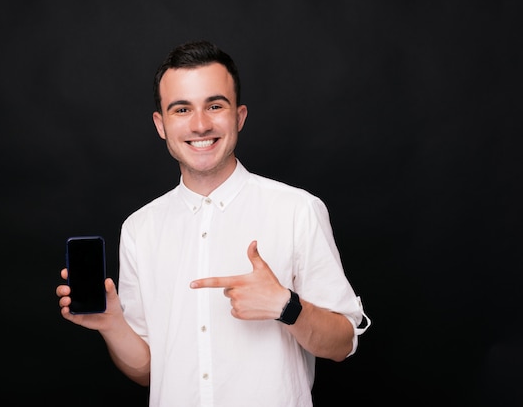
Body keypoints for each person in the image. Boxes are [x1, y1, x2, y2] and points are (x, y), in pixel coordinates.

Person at [56, 40, 370, 407]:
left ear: (239, 116)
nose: (200, 124)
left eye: (215, 106)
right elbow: (148, 370)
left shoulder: (297, 210)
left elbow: (342, 343)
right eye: (181, 109)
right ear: (161, 124)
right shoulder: (139, 229)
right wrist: (111, 324)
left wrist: (287, 306)